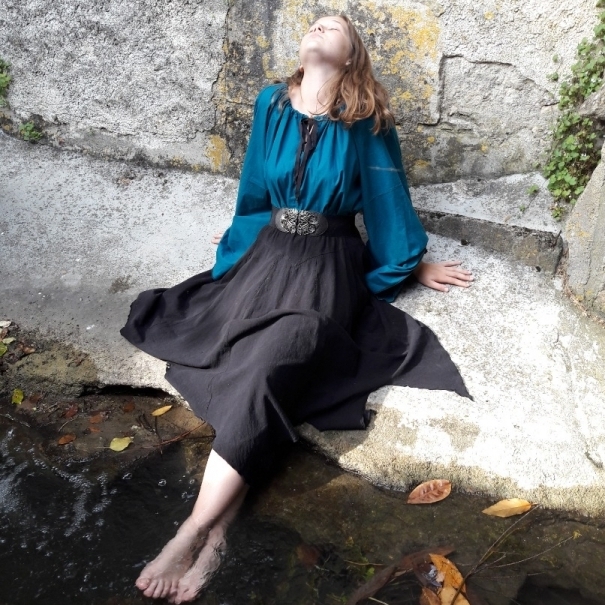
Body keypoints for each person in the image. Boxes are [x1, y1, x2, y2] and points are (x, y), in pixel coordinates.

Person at [120, 14, 473, 603]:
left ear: (352, 53)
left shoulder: (367, 117)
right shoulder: (271, 103)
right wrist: (241, 243)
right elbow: (255, 189)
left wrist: (409, 262)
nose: (318, 27)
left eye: (333, 26)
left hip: (328, 266)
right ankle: (220, 535)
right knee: (255, 368)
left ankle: (191, 531)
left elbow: (387, 197)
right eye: (313, 22)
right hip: (269, 257)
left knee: (276, 360)